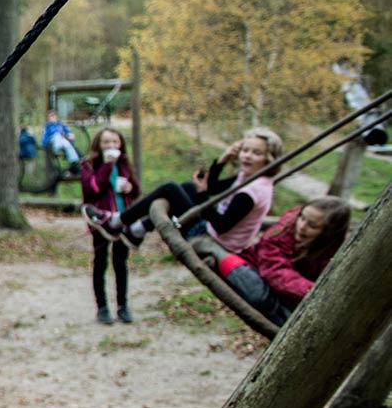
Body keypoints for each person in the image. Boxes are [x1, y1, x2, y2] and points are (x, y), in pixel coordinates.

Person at [84, 127, 284, 251]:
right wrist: (223, 160)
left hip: (211, 239)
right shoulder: (251, 177)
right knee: (188, 187)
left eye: (256, 153)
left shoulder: (253, 191)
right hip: (215, 232)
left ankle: (120, 221)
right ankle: (138, 229)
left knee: (171, 188)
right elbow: (213, 185)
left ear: (269, 159)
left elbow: (221, 225)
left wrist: (203, 194)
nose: (247, 156)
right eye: (245, 150)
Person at [200, 197, 351, 327]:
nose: (302, 226)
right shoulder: (281, 233)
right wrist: (315, 291)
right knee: (259, 296)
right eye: (302, 217)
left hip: (285, 290)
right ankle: (217, 253)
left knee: (285, 308)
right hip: (253, 270)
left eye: (311, 225)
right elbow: (276, 271)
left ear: (329, 232)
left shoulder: (333, 248)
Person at [80, 127, 141, 324]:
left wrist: (130, 188)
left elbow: (137, 190)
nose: (111, 146)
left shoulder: (124, 165)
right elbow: (93, 189)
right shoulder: (89, 165)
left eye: (115, 142)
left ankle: (123, 306)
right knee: (100, 262)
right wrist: (106, 166)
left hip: (123, 218)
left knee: (120, 263)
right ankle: (102, 307)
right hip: (101, 221)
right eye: (106, 142)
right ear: (98, 144)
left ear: (121, 144)